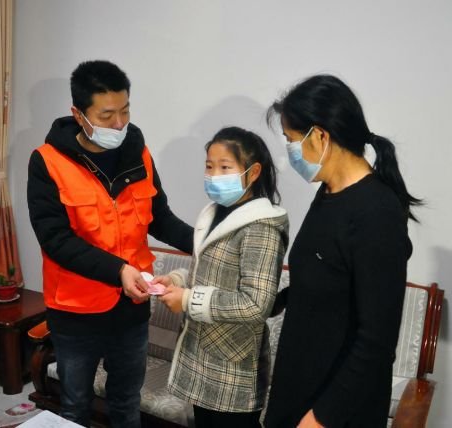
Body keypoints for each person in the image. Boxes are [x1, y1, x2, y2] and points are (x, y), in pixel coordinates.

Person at [27, 60, 193, 428]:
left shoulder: (139, 153)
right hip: (75, 310)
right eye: (106, 115)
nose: (119, 123)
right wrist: (118, 270)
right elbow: (55, 240)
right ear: (79, 114)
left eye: (125, 111)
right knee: (75, 405)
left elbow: (160, 217)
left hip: (131, 307)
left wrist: (204, 240)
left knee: (126, 403)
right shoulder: (47, 162)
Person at [263, 74, 421, 428]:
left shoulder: (376, 212)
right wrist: (265, 302)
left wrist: (322, 417)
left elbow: (377, 341)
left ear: (320, 136)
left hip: (336, 409)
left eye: (290, 140)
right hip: (299, 385)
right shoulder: (329, 192)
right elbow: (325, 282)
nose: (288, 152)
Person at [152, 126, 289, 428]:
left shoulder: (262, 226)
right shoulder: (215, 213)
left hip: (234, 369)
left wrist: (188, 300)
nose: (214, 175)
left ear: (254, 172)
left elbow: (256, 304)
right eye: (209, 166)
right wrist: (177, 281)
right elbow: (212, 272)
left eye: (225, 167)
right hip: (202, 361)